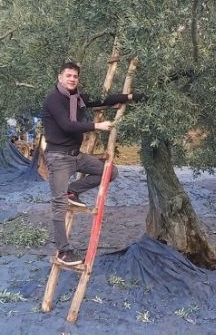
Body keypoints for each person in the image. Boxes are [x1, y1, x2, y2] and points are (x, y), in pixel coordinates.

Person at [42, 62, 143, 266]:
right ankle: (64, 251)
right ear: (60, 77)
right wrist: (98, 126)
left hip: (75, 156)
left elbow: (101, 101)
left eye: (75, 76)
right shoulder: (53, 99)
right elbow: (67, 125)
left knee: (110, 172)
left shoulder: (75, 98)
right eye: (68, 75)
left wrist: (130, 97)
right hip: (58, 157)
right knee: (59, 205)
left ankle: (73, 191)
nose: (72, 79)